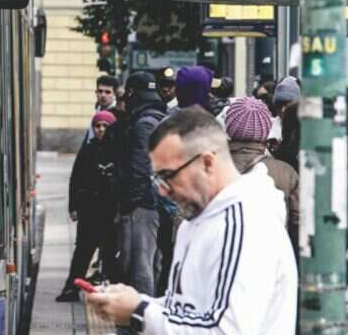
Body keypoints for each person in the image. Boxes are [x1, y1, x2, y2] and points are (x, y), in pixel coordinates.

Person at [85, 107, 298, 333]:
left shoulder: (244, 224)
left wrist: (140, 312)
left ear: (207, 163)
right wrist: (136, 302)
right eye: (157, 179)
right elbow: (187, 308)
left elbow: (225, 329)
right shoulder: (198, 218)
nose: (163, 191)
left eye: (168, 176)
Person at [113, 71, 169, 295]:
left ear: (131, 93)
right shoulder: (161, 119)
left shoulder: (142, 125)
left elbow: (139, 168)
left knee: (141, 264)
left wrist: (130, 204)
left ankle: (140, 317)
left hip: (144, 203)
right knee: (154, 261)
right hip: (159, 199)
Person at [221, 96, 299, 246]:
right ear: (265, 130)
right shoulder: (285, 173)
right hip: (271, 258)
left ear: (229, 128)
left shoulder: (210, 168)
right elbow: (299, 227)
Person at [58, 110, 120, 302]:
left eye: (105, 127)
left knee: (110, 253)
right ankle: (72, 287)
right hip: (89, 210)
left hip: (110, 211)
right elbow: (75, 178)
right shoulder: (88, 148)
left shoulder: (119, 150)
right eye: (97, 126)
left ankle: (111, 292)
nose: (101, 130)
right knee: (83, 251)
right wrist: (73, 206)